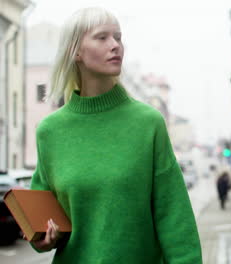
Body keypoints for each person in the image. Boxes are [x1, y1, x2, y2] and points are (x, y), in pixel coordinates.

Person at [29, 7, 202, 263]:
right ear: (75, 51)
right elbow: (40, 220)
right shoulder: (50, 132)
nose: (115, 46)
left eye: (118, 37)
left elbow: (174, 216)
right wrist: (43, 238)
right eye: (102, 37)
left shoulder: (148, 123)